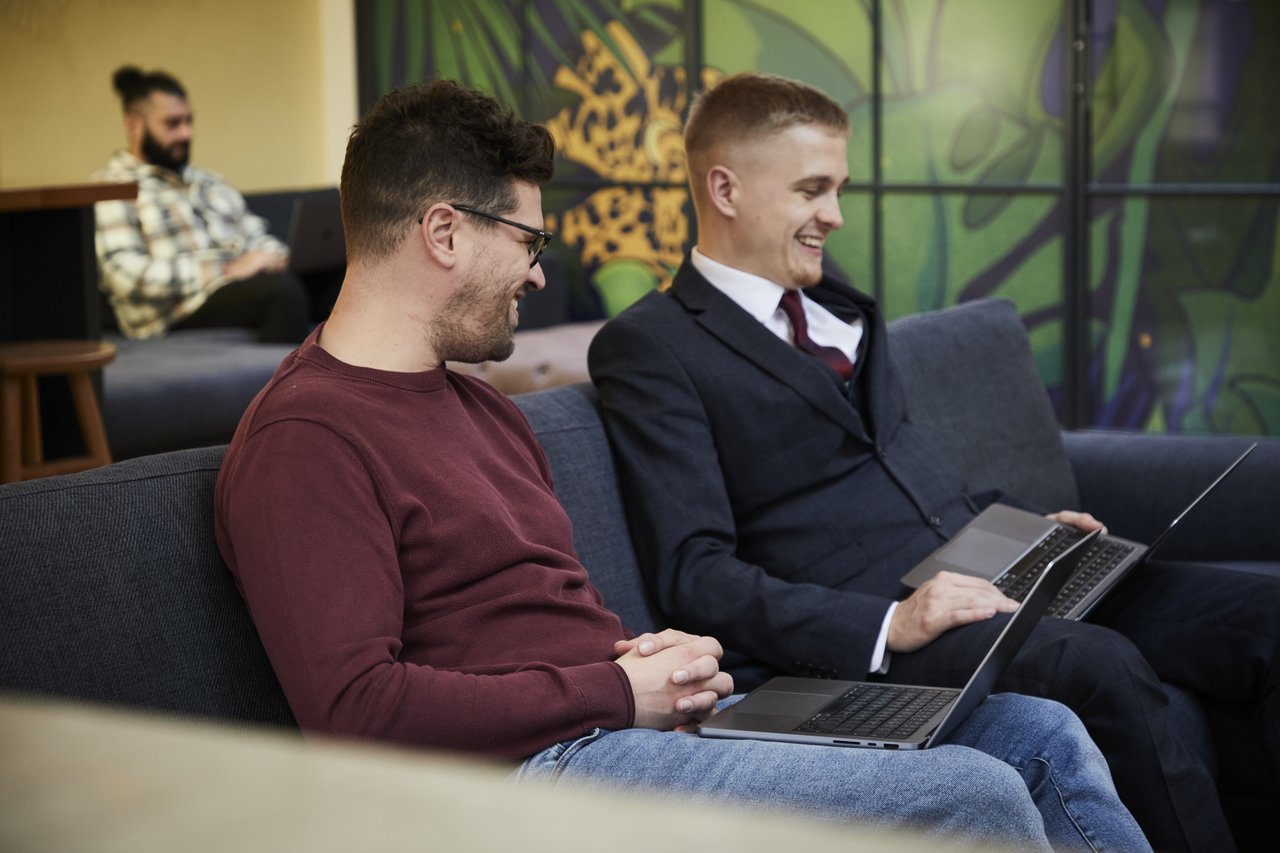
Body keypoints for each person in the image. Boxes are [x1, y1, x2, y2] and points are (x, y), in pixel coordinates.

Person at [214, 79, 1148, 851]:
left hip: (627, 720)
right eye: (528, 242)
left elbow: (526, 620)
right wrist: (616, 689)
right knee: (970, 795)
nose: (539, 275)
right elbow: (354, 709)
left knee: (1037, 734)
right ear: (446, 232)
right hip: (537, 775)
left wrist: (639, 657)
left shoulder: (483, 410)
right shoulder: (308, 439)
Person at [588, 71, 1280, 853]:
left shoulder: (835, 299)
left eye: (839, 188)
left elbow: (898, 469)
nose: (835, 215)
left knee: (1265, 614)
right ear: (725, 187)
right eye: (813, 190)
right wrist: (891, 622)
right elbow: (696, 572)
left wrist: (1023, 529)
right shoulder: (651, 346)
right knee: (1099, 667)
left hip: (992, 567)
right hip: (885, 620)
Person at [93, 66, 310, 343]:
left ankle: (361, 385)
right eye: (173, 124)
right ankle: (293, 386)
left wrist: (280, 259)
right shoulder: (113, 187)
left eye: (189, 121)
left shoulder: (209, 182)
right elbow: (125, 275)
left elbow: (255, 236)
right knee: (283, 293)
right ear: (134, 125)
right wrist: (224, 271)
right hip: (177, 310)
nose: (186, 133)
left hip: (238, 285)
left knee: (339, 284)